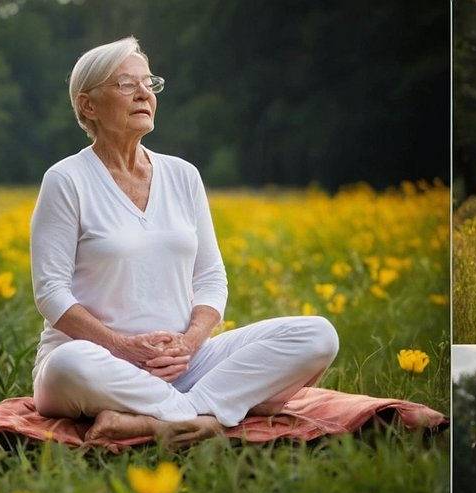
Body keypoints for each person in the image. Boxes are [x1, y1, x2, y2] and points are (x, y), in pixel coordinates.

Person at [30, 36, 338, 445]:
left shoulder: (183, 175)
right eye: (125, 84)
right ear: (88, 105)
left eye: (149, 83)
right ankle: (209, 415)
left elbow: (211, 278)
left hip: (183, 363)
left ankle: (163, 418)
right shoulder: (66, 180)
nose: (144, 93)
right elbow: (50, 292)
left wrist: (191, 343)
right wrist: (123, 347)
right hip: (97, 361)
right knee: (70, 363)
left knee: (317, 335)